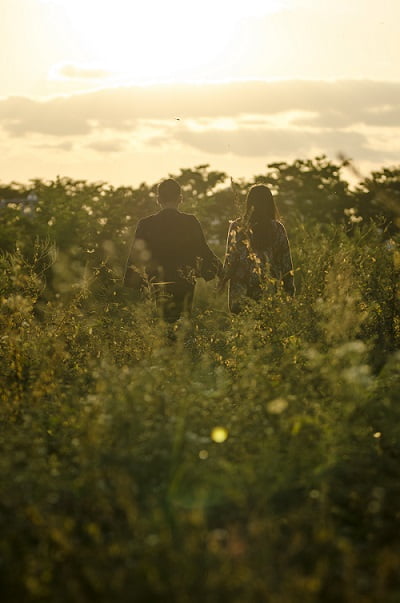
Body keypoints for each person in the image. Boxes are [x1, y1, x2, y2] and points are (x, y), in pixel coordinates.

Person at [124, 178, 222, 322]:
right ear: (180, 198)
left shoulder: (146, 224)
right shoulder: (190, 222)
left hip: (157, 281)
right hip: (184, 281)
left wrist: (133, 282)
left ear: (158, 199)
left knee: (161, 323)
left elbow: (136, 256)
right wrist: (220, 271)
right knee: (182, 323)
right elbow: (203, 250)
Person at [219, 184, 295, 313]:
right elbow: (286, 264)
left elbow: (231, 259)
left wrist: (222, 280)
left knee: (243, 330)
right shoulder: (278, 228)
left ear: (249, 203)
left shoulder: (237, 227)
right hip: (269, 289)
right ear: (270, 203)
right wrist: (289, 291)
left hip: (240, 290)